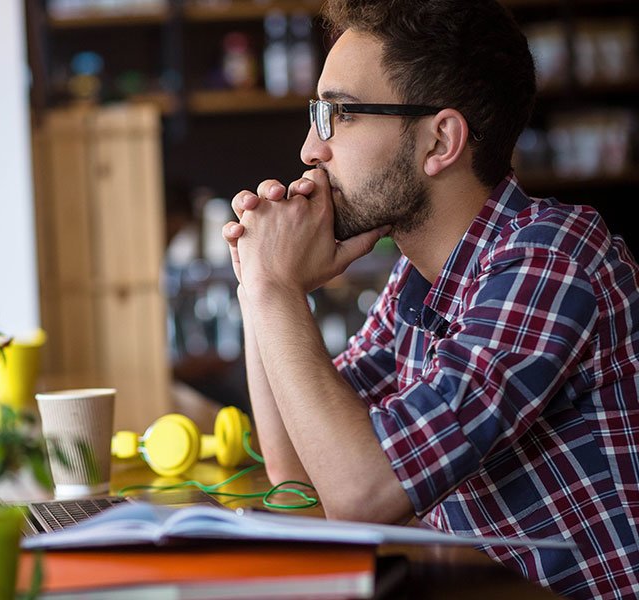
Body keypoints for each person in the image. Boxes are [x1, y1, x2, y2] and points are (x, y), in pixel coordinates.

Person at [221, 0, 639, 597]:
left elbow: (362, 492)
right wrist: (256, 279)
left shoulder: (553, 258)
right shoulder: (420, 280)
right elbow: (298, 473)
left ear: (440, 140)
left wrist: (275, 289)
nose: (310, 149)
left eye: (336, 114)